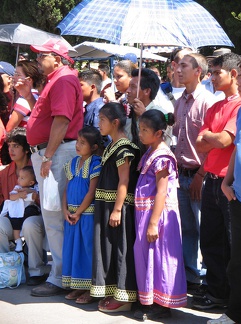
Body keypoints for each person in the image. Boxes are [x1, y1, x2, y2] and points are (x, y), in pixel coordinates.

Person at [17, 38, 83, 297]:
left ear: (56, 58)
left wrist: (49, 155)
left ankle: (60, 276)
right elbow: (46, 118)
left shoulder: (63, 79)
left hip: (54, 153)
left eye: (42, 55)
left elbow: (62, 120)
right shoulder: (57, 78)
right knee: (52, 216)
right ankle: (61, 273)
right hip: (49, 152)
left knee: (55, 217)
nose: (37, 60)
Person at [193, 53, 241, 310]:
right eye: (211, 73)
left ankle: (232, 299)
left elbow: (225, 141)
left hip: (229, 182)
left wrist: (211, 136)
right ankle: (216, 292)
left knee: (233, 245)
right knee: (211, 241)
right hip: (211, 179)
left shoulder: (238, 106)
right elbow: (200, 143)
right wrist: (215, 136)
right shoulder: (215, 106)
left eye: (216, 73)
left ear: (233, 74)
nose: (211, 78)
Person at [133, 109, 187, 321]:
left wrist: (154, 223)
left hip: (159, 216)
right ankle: (151, 299)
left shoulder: (163, 156)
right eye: (140, 129)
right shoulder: (150, 150)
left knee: (160, 257)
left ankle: (163, 303)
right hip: (146, 214)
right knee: (147, 256)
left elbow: (162, 191)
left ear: (158, 133)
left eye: (145, 130)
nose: (140, 133)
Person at [90, 102, 140, 312]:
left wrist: (118, 209)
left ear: (115, 122)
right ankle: (112, 290)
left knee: (121, 248)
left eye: (102, 119)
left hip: (117, 206)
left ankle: (125, 296)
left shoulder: (124, 148)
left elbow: (124, 180)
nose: (98, 123)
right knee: (108, 247)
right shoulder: (111, 146)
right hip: (105, 204)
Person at [173, 53, 216, 290]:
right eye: (178, 66)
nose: (178, 70)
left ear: (198, 71)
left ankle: (207, 279)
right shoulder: (180, 101)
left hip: (200, 175)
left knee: (204, 229)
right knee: (187, 229)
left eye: (183, 66)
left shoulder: (207, 101)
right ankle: (191, 277)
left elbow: (212, 145)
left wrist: (200, 175)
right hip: (181, 175)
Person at [206, 61, 241, 324]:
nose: (239, 82)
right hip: (238, 196)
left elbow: (224, 141)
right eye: (240, 76)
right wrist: (226, 182)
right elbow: (237, 149)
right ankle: (234, 312)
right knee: (237, 261)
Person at [0, 127, 46, 286]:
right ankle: (6, 269)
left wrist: (34, 195)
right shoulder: (4, 173)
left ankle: (36, 271)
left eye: (16, 146)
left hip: (36, 216)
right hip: (12, 217)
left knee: (30, 224)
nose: (11, 149)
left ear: (26, 149)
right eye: (10, 145)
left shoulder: (38, 167)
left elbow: (45, 199)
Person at [62, 126, 102, 304]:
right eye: (77, 142)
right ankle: (79, 284)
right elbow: (66, 188)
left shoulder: (96, 163)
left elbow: (91, 192)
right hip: (71, 215)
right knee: (74, 249)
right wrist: (65, 210)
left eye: (82, 143)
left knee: (86, 250)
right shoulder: (72, 163)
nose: (77, 145)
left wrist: (78, 212)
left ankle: (90, 289)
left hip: (86, 215)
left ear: (93, 147)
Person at [0, 165, 40, 252]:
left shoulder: (35, 187)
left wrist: (26, 191)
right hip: (18, 212)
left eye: (22, 178)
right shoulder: (17, 188)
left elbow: (35, 194)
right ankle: (17, 240)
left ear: (31, 182)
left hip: (29, 210)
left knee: (30, 215)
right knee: (15, 222)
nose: (18, 179)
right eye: (19, 177)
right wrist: (19, 195)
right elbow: (11, 197)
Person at [6, 60, 44, 132]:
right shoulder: (36, 95)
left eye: (18, 75)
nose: (13, 77)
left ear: (29, 79)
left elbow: (9, 128)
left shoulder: (25, 100)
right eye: (14, 73)